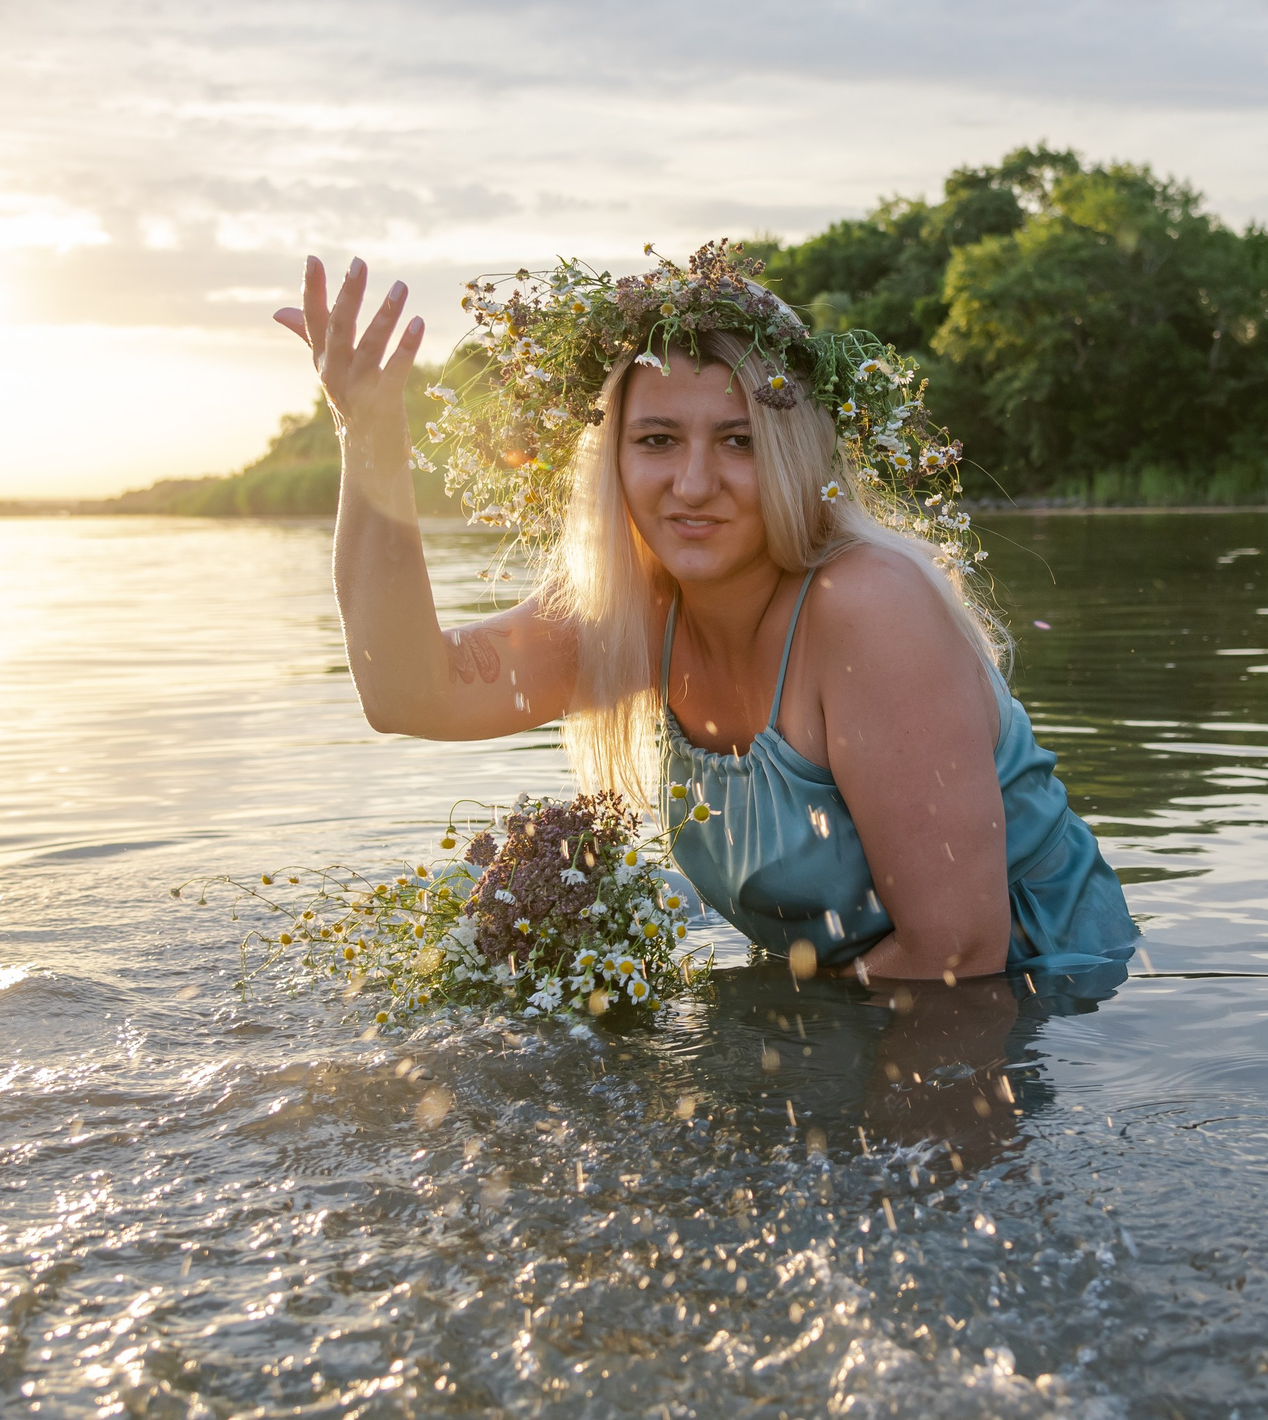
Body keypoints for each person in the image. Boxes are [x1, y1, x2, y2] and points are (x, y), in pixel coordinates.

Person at [272, 242, 1136, 987]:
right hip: (869, 1011)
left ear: (796, 455)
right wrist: (371, 432)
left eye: (739, 440)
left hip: (1042, 1014)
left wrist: (745, 1043)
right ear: (612, 458)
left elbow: (960, 959)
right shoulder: (634, 619)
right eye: (657, 440)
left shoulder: (869, 610)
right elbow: (406, 692)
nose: (692, 484)